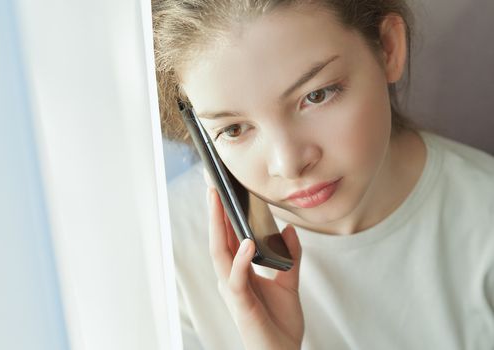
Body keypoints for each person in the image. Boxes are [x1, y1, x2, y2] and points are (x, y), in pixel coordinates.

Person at [152, 1, 494, 349]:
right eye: (235, 129)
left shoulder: (483, 219)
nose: (288, 165)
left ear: (388, 47)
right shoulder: (164, 254)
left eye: (316, 95)